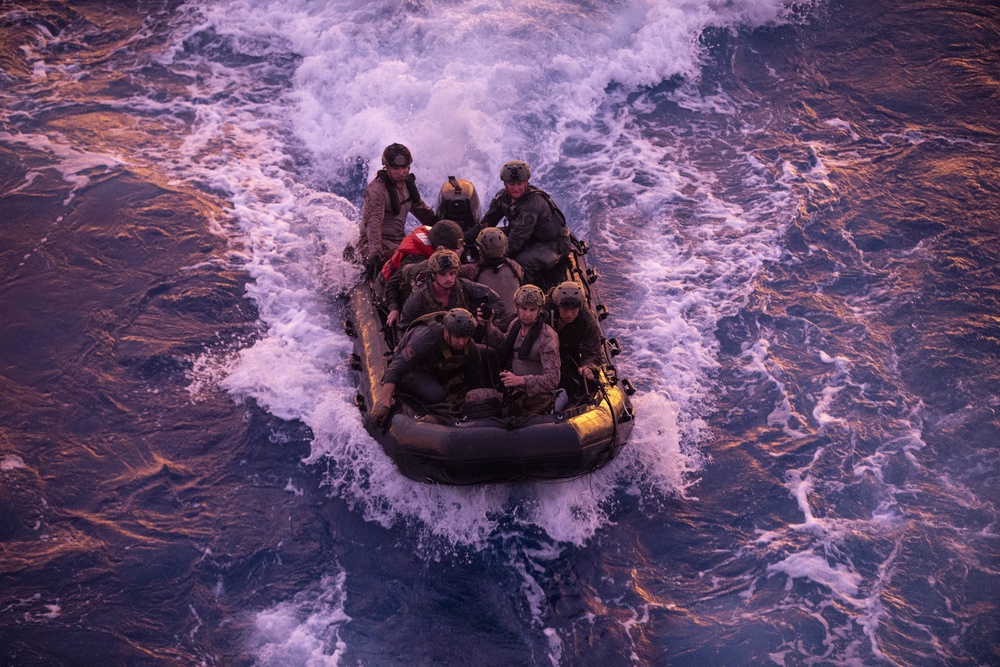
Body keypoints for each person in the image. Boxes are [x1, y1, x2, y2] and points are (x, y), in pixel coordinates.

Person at [370, 308, 482, 426]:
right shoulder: (424, 341)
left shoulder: (469, 346)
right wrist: (385, 405)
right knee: (436, 394)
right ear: (446, 332)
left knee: (485, 353)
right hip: (414, 369)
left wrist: (474, 403)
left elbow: (475, 374)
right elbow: (395, 369)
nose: (462, 342)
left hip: (436, 367)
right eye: (457, 337)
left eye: (465, 337)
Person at [476, 160, 571, 285]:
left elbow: (515, 243)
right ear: (505, 184)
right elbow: (487, 223)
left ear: (526, 182)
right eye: (512, 184)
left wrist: (487, 259)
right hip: (529, 236)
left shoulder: (531, 205)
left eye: (519, 184)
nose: (516, 188)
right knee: (491, 235)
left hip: (553, 244)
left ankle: (527, 292)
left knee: (523, 261)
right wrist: (468, 240)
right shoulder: (503, 197)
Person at [358, 143, 438, 276]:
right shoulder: (377, 190)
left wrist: (441, 225)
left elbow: (421, 211)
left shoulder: (408, 185)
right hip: (373, 243)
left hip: (398, 239)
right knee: (412, 258)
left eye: (404, 167)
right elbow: (373, 223)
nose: (401, 172)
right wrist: (375, 252)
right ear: (387, 167)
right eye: (396, 168)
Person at [485, 284, 561, 416]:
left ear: (539, 310)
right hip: (511, 388)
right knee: (473, 397)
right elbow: (503, 344)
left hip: (535, 396)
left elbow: (553, 379)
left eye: (532, 310)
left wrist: (522, 380)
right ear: (517, 307)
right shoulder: (516, 324)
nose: (527, 314)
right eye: (524, 308)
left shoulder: (547, 338)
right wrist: (488, 324)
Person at [379, 219, 465, 327]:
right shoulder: (415, 260)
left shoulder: (434, 241)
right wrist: (394, 308)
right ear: (441, 248)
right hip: (391, 288)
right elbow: (391, 285)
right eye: (453, 250)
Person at [397, 248, 504, 332]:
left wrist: (479, 318)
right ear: (433, 275)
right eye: (443, 274)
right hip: (432, 342)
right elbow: (403, 327)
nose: (448, 279)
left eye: (452, 273)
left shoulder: (464, 286)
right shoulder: (419, 296)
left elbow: (498, 303)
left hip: (462, 338)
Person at [458, 227, 524, 329]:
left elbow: (453, 270)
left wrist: (459, 250)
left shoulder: (472, 271)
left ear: (480, 248)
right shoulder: (515, 266)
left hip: (488, 326)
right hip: (514, 324)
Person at [549, 280, 603, 399]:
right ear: (557, 305)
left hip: (570, 357)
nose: (569, 314)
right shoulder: (544, 313)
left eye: (574, 309)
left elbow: (593, 350)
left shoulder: (587, 319)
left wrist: (588, 367)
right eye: (564, 308)